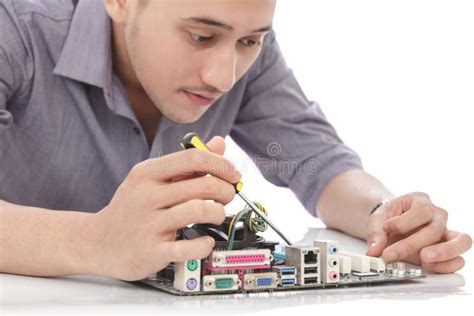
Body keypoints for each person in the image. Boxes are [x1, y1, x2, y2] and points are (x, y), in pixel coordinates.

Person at [0, 0, 471, 282]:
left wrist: (384, 212)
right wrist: (96, 242)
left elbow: (315, 164)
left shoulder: (242, 45)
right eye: (201, 35)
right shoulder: (15, 29)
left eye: (250, 42)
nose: (223, 77)